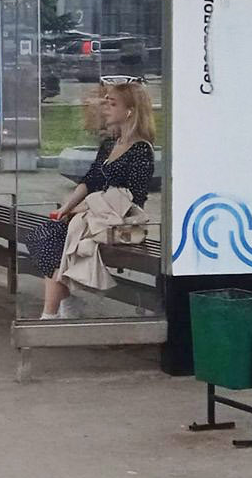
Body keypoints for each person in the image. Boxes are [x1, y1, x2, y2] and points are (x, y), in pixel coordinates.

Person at [29, 80, 157, 318]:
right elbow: (90, 179)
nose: (105, 108)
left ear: (129, 111)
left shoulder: (141, 150)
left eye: (112, 104)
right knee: (43, 234)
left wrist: (87, 208)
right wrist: (67, 207)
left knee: (54, 239)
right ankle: (66, 301)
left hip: (119, 222)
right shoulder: (110, 144)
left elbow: (134, 197)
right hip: (92, 215)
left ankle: (50, 313)